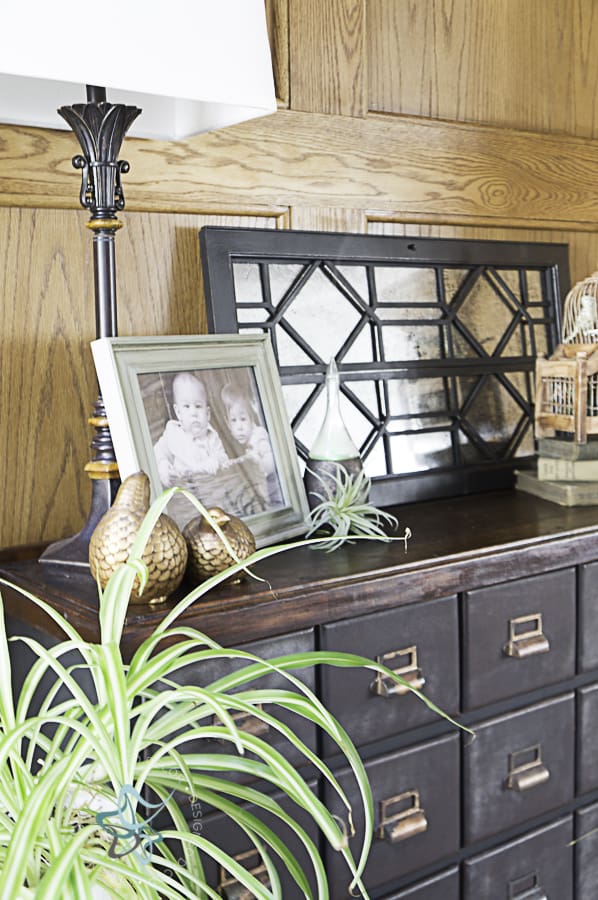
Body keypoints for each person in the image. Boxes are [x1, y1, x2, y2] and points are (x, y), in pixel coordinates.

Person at [154, 372, 229, 487]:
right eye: (187, 407)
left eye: (198, 406)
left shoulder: (211, 436)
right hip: (185, 492)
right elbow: (158, 452)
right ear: (178, 412)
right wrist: (163, 465)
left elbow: (224, 459)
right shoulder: (173, 434)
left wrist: (216, 461)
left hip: (211, 489)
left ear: (207, 413)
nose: (193, 413)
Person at [221, 384, 283, 507]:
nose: (239, 427)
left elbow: (271, 462)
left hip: (275, 495)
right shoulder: (244, 442)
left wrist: (259, 464)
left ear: (251, 418)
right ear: (228, 423)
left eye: (243, 419)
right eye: (234, 420)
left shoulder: (259, 436)